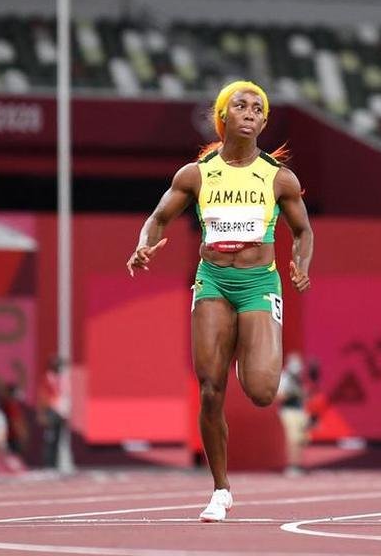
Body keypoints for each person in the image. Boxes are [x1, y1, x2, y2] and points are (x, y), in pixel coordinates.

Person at [127, 80, 313, 522]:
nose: (249, 112)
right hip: (212, 281)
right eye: (241, 105)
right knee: (210, 389)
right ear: (223, 116)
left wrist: (301, 264)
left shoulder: (279, 178)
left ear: (263, 123)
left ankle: (249, 346)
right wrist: (143, 245)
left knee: (263, 392)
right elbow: (158, 218)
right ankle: (220, 489)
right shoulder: (196, 174)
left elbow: (303, 230)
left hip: (258, 283)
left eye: (257, 109)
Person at [276, 352, 313, 476]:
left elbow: (304, 397)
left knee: (301, 440)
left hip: (299, 411)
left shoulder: (299, 379)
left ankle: (298, 465)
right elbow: (279, 396)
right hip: (289, 411)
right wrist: (291, 393)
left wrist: (304, 394)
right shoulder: (284, 377)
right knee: (292, 439)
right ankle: (291, 466)